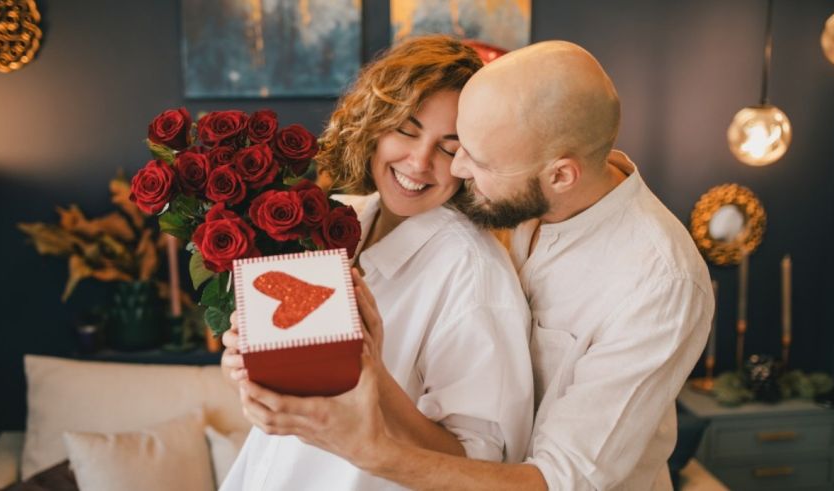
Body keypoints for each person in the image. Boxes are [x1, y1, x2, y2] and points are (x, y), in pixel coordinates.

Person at [230, 40, 715, 490]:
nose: (456, 170)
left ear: (561, 175)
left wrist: (370, 444)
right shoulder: (515, 202)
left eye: (469, 155)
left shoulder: (660, 280)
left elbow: (559, 480)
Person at [219, 35, 535, 490]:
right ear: (374, 124)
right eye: (406, 129)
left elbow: (477, 465)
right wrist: (249, 364)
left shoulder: (473, 274)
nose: (420, 162)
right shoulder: (337, 218)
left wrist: (374, 373)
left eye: (449, 148)